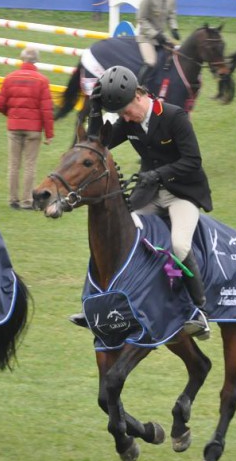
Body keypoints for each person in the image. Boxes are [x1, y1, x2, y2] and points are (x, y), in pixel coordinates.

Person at [88, 65, 212, 339]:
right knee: (121, 236)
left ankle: (198, 311)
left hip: (183, 193)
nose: (125, 118)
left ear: (138, 96)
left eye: (126, 111)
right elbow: (97, 144)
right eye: (120, 114)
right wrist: (95, 111)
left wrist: (158, 173)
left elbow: (193, 161)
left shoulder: (174, 116)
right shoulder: (128, 122)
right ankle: (104, 306)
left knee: (179, 244)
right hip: (149, 194)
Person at [0, 47, 54, 210]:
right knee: (30, 165)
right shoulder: (42, 81)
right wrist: (49, 134)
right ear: (37, 61)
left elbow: (0, 103)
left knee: (13, 165)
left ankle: (13, 200)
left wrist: (11, 114)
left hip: (14, 127)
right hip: (33, 130)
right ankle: (27, 200)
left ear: (22, 60)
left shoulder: (9, 78)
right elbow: (46, 110)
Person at [135, 0, 180, 89]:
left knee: (175, 56)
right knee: (151, 62)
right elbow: (141, 19)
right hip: (147, 37)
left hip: (162, 36)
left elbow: (171, 15)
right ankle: (139, 87)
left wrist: (174, 28)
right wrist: (155, 34)